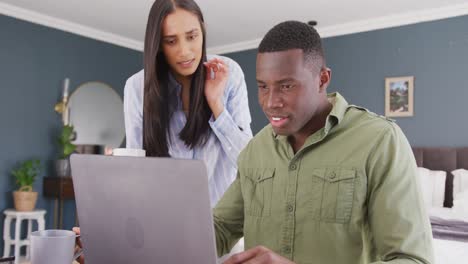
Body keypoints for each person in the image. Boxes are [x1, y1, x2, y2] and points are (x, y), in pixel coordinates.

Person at [214, 21, 434, 264]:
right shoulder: (256, 149)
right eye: (263, 87)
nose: (270, 102)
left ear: (322, 79)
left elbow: (413, 260)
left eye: (286, 86)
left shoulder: (380, 141)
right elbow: (220, 228)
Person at [124, 0, 252, 205]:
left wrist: (216, 104)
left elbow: (249, 161)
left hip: (222, 226)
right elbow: (134, 169)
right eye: (171, 41)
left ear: (203, 31)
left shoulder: (230, 74)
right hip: (164, 219)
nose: (184, 51)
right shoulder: (137, 87)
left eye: (192, 37)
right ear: (158, 45)